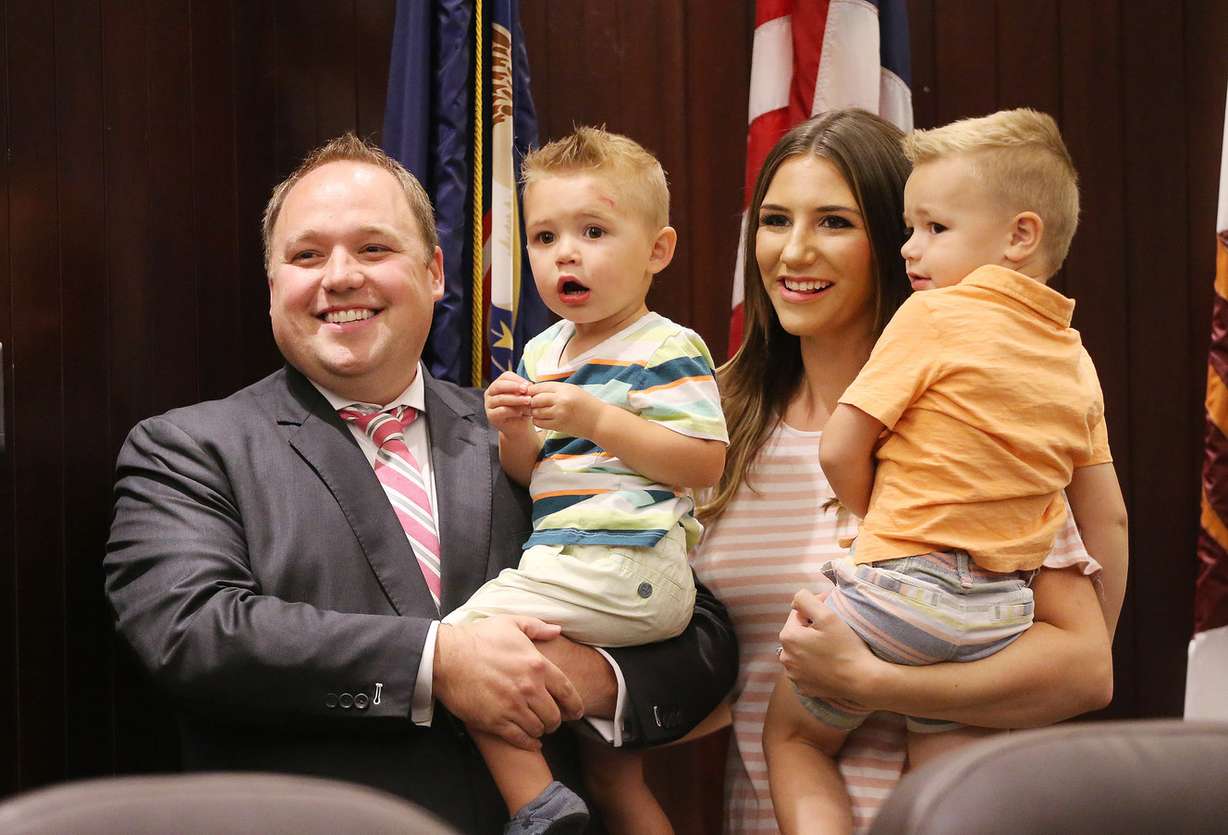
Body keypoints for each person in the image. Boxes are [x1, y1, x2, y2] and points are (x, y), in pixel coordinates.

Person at [103, 133, 738, 834]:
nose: (340, 276)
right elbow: (192, 633)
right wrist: (441, 662)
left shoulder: (529, 424)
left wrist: (576, 677)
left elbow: (700, 631)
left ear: (437, 271)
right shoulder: (188, 450)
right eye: (306, 255)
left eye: (374, 249)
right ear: (273, 282)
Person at [691, 108, 1123, 833]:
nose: (795, 251)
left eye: (834, 222)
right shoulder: (704, 423)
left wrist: (875, 681)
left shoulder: (976, 421)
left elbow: (1083, 669)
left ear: (895, 242)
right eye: (773, 220)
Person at [445, 126, 728, 834]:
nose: (565, 252)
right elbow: (531, 471)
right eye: (544, 238)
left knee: (463, 643)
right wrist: (514, 429)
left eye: (593, 231)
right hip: (574, 560)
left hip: (630, 562)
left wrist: (598, 419)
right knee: (613, 771)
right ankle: (562, 802)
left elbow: (703, 461)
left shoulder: (666, 345)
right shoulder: (543, 350)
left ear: (657, 251)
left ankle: (535, 806)